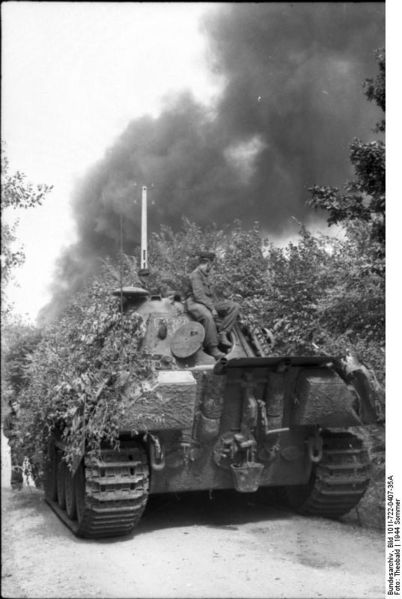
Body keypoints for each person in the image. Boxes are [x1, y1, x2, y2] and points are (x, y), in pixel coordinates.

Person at [185, 251, 240, 360]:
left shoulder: (207, 275)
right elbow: (199, 295)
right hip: (194, 302)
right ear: (208, 263)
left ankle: (223, 333)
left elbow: (211, 294)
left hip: (207, 301)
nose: (211, 267)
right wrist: (212, 308)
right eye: (211, 264)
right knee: (208, 316)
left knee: (234, 306)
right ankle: (213, 348)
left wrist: (221, 305)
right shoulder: (195, 275)